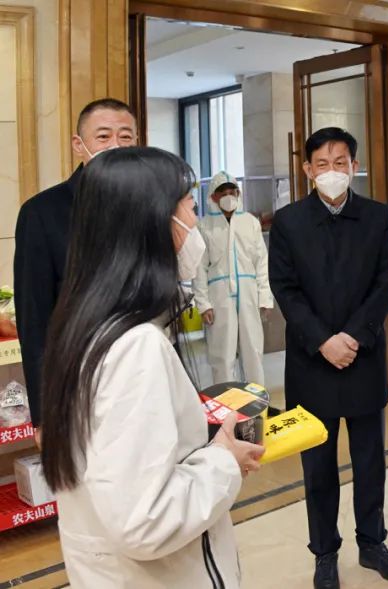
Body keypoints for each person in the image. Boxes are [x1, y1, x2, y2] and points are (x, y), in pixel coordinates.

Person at [39, 147, 264, 588]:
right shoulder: (135, 347)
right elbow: (145, 520)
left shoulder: (81, 324)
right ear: (153, 223)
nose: (195, 222)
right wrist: (224, 460)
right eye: (189, 206)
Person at [269, 127, 388, 588]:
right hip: (311, 363)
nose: (332, 171)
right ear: (308, 169)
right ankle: (324, 552)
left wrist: (353, 337)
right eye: (322, 164)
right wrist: (323, 340)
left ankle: (373, 543)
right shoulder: (289, 222)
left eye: (341, 162)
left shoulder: (377, 217)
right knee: (318, 467)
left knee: (370, 462)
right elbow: (285, 289)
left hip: (362, 358)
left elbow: (384, 284)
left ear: (354, 166)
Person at [14, 98, 137, 435]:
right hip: (80, 383)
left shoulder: (147, 206)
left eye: (125, 137)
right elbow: (34, 321)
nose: (115, 145)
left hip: (143, 375)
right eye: (103, 136)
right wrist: (43, 415)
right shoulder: (43, 212)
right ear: (78, 144)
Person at [192, 171, 272, 387]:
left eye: (232, 191)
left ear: (238, 193)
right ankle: (226, 401)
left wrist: (264, 297)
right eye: (223, 193)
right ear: (213, 196)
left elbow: (261, 262)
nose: (228, 196)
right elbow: (199, 269)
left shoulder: (250, 223)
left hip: (248, 294)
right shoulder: (204, 226)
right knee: (222, 353)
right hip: (219, 297)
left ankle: (256, 399)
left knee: (253, 349)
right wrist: (203, 304)